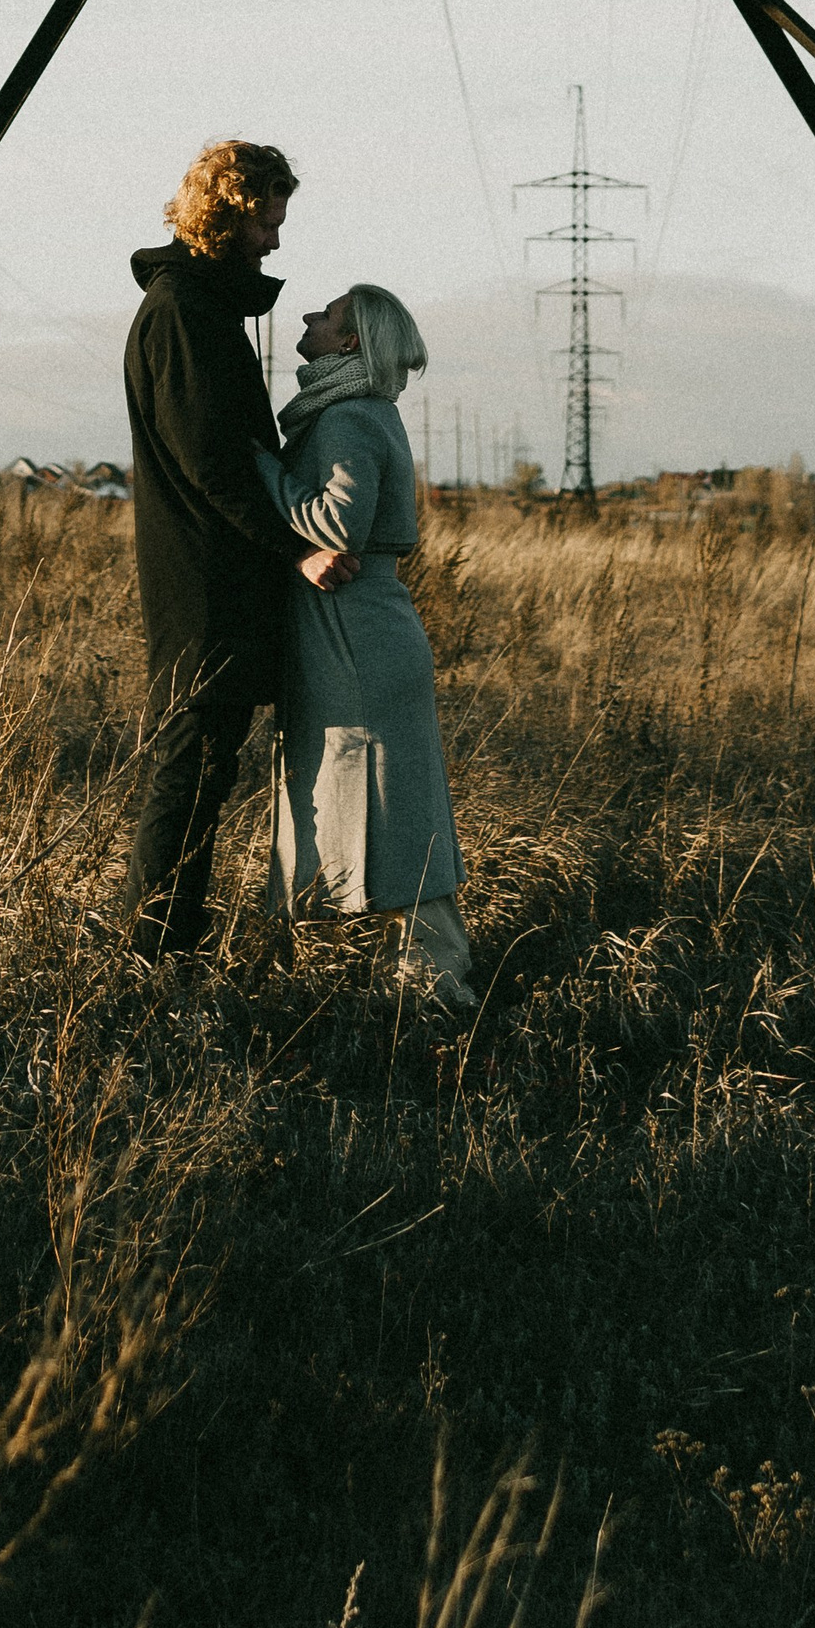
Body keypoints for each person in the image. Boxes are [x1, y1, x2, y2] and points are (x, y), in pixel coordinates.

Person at [123, 138, 357, 963]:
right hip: (204, 584)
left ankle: (165, 947)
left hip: (209, 576)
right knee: (189, 772)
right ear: (228, 215)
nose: (276, 240)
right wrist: (294, 548)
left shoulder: (199, 306)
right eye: (267, 219)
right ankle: (156, 954)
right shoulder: (184, 313)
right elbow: (215, 464)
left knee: (202, 769)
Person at [258, 282, 474, 1011]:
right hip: (371, 627)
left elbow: (336, 523)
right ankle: (425, 983)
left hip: (357, 634)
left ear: (350, 343)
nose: (311, 317)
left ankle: (432, 992)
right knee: (396, 799)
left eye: (328, 314)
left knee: (392, 802)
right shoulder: (361, 410)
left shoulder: (347, 416)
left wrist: (258, 468)